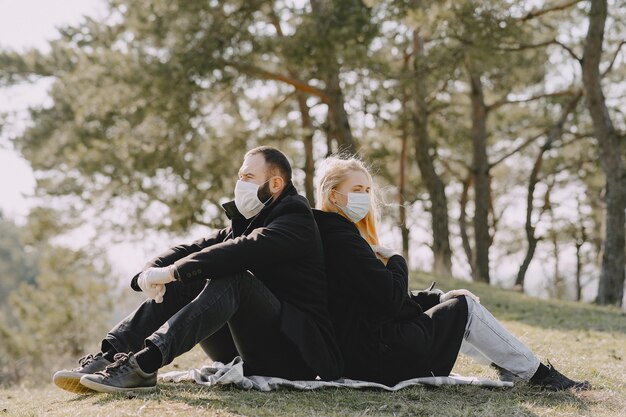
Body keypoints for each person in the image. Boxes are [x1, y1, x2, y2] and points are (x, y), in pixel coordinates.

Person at [53, 146, 343, 394]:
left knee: (232, 277)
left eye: (248, 177)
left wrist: (173, 272)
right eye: (239, 176)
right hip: (244, 347)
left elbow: (241, 251)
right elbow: (193, 248)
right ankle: (109, 356)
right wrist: (150, 271)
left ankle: (144, 365)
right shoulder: (247, 220)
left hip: (292, 355)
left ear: (276, 184)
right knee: (187, 279)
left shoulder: (296, 220)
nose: (239, 183)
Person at [312, 156, 591, 391]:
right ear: (333, 194)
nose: (364, 197)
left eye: (367, 190)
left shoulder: (331, 234)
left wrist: (438, 298)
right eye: (357, 189)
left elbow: (375, 295)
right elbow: (389, 297)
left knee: (454, 305)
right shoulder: (342, 240)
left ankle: (514, 368)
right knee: (464, 309)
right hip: (379, 358)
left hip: (364, 353)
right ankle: (540, 376)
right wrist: (398, 260)